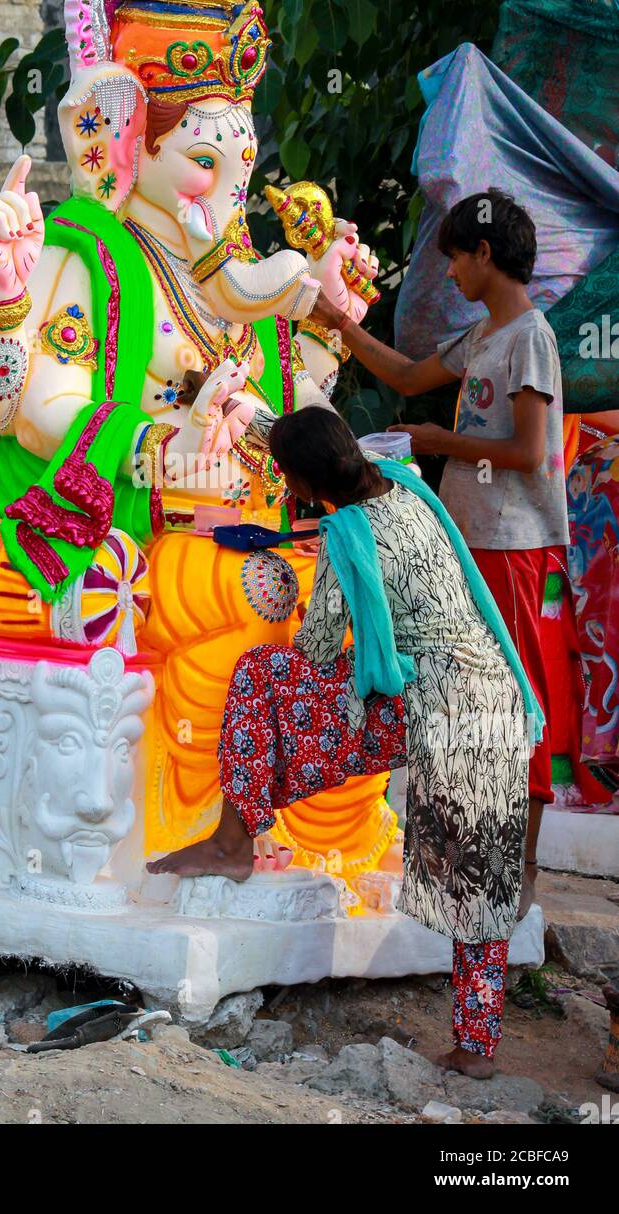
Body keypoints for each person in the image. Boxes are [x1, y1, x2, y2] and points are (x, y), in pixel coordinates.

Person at [149, 407, 542, 1077]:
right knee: (480, 877)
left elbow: (318, 645)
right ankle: (477, 1049)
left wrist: (321, 573)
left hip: (427, 707)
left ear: (298, 483)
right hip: (494, 696)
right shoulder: (402, 483)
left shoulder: (346, 531)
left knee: (261, 674)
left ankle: (234, 835)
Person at [310, 188, 569, 916]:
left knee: (517, 691)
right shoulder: (486, 335)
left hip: (512, 545)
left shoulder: (530, 338)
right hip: (472, 538)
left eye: (455, 257)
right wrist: (334, 320)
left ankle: (520, 867)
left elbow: (525, 451)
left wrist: (432, 442)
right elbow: (406, 375)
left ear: (484, 254)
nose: (449, 273)